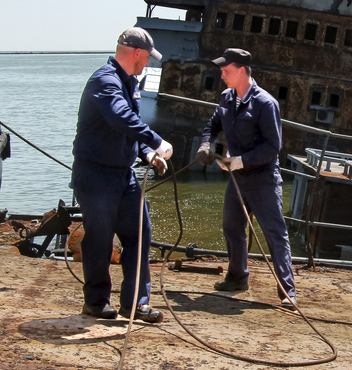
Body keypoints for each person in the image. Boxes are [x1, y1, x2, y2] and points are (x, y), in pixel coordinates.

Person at [71, 27, 171, 323]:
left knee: (140, 235)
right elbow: (119, 117)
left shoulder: (129, 82)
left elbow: (129, 128)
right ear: (137, 53)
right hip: (95, 175)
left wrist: (147, 153)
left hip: (122, 175)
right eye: (148, 58)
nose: (149, 64)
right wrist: (156, 140)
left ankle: (135, 304)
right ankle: (96, 301)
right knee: (100, 239)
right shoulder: (105, 80)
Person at [195, 48, 297, 309]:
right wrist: (209, 147)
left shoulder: (265, 103)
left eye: (226, 71)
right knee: (231, 226)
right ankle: (238, 277)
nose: (222, 76)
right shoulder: (227, 98)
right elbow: (214, 125)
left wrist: (240, 161)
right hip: (238, 179)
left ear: (242, 71)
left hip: (263, 179)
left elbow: (273, 147)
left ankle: (287, 291)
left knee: (275, 234)